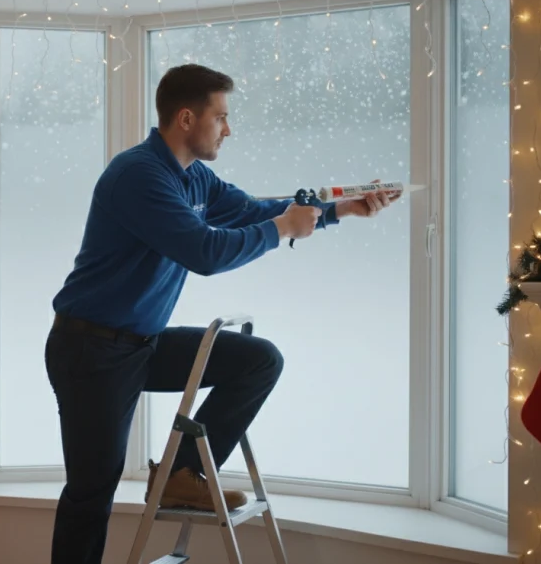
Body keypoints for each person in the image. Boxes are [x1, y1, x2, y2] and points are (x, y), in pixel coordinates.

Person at [44, 63, 398, 564]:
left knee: (258, 360)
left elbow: (255, 210)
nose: (228, 129)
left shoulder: (196, 178)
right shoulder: (138, 175)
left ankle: (181, 477)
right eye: (222, 117)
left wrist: (344, 207)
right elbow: (205, 252)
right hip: (91, 349)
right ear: (187, 119)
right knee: (91, 492)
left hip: (141, 344)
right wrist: (284, 229)